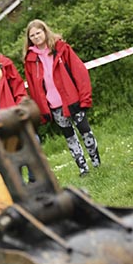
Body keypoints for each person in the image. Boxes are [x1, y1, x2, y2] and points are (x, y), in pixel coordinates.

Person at [23, 19, 101, 176]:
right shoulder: (30, 60)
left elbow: (80, 73)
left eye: (38, 32)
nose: (36, 37)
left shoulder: (62, 49)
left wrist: (84, 98)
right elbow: (33, 88)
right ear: (29, 39)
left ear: (45, 31)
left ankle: (96, 163)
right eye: (32, 35)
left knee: (85, 131)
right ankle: (83, 168)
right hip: (54, 105)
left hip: (72, 100)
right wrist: (42, 110)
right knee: (69, 137)